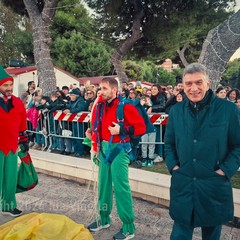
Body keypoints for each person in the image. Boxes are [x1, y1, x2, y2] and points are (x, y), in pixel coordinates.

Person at [164, 63, 240, 240]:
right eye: (188, 83)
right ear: (183, 85)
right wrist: (174, 167)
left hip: (214, 184)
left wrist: (224, 171)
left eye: (199, 82)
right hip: (183, 183)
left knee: (211, 235)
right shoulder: (176, 111)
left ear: (208, 83)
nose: (194, 88)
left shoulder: (228, 110)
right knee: (179, 235)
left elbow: (237, 145)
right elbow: (169, 144)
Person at [87, 77, 146, 240]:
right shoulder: (99, 106)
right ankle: (104, 218)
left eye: (104, 88)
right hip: (103, 150)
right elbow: (97, 125)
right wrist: (91, 135)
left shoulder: (125, 106)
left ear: (114, 90)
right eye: (100, 88)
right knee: (103, 186)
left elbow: (141, 127)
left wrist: (122, 129)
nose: (101, 91)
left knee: (121, 188)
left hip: (120, 150)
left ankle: (128, 227)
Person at [0, 65, 29, 217]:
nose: (9, 88)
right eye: (5, 85)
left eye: (10, 84)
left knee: (10, 178)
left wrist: (24, 140)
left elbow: (22, 124)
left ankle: (8, 205)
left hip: (12, 147)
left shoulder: (18, 103)